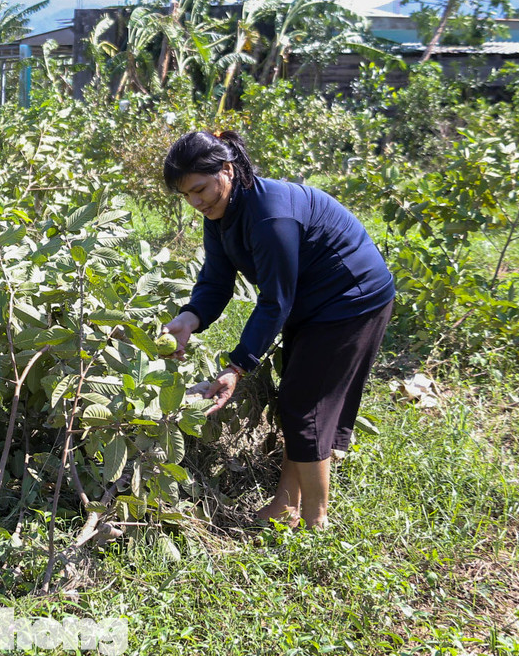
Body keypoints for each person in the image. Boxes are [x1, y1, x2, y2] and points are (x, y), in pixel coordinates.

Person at [161, 130, 395, 529]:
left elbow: (275, 300)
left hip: (352, 299)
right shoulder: (221, 212)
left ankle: (316, 521)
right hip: (313, 302)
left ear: (227, 170)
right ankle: (286, 506)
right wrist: (189, 318)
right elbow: (216, 279)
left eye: (199, 189)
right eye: (186, 196)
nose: (195, 202)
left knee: (304, 407)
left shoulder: (270, 215)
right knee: (299, 399)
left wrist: (237, 367)